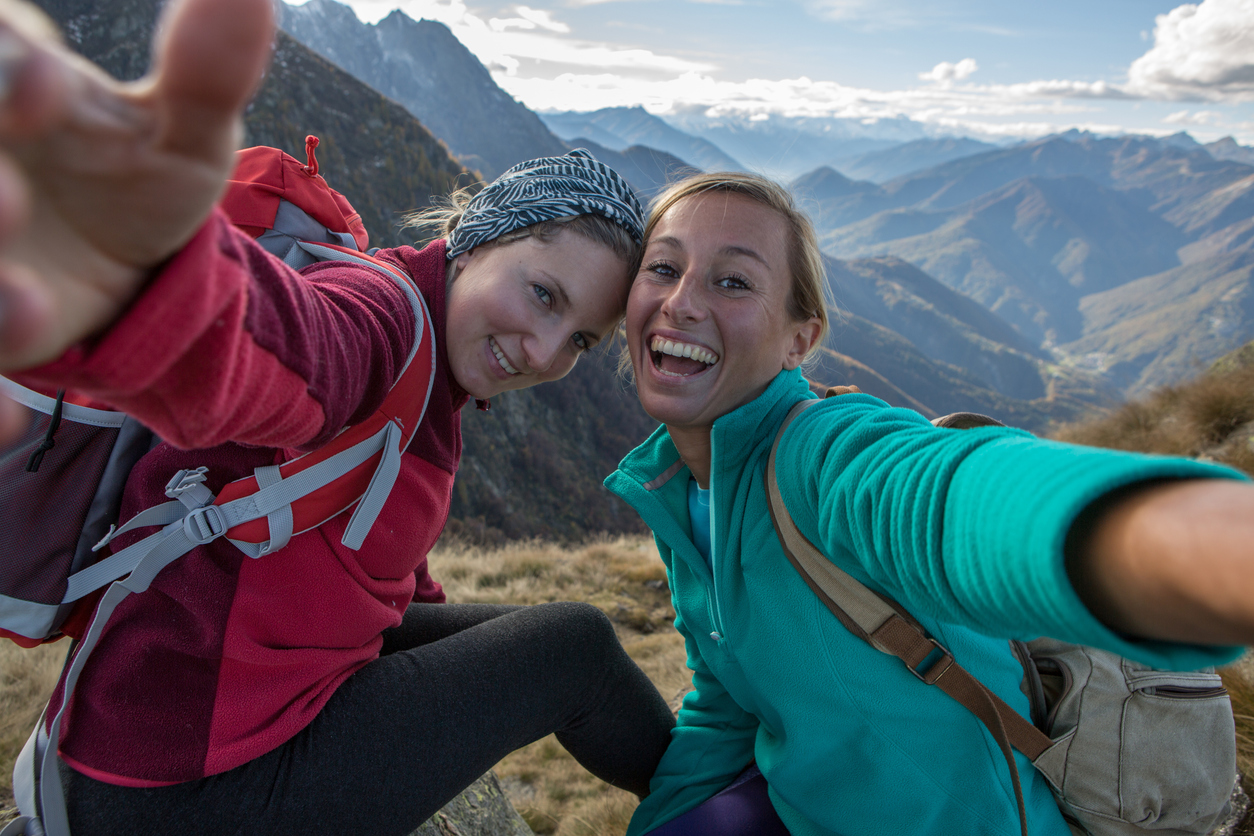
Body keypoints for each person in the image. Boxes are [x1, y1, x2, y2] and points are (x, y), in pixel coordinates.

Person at [0, 0, 676, 833]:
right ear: (476, 240)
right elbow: (279, 349)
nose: (542, 351)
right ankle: (724, 813)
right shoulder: (381, 320)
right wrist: (130, 262)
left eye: (579, 337)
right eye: (542, 293)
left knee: (542, 636)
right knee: (574, 650)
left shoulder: (440, 369)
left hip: (187, 739)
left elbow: (373, 565)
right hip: (176, 786)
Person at [604, 170, 1254, 836]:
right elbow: (725, 703)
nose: (681, 303)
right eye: (662, 268)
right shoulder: (682, 492)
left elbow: (939, 497)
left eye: (733, 281)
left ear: (800, 339)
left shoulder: (821, 455)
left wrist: (1166, 546)